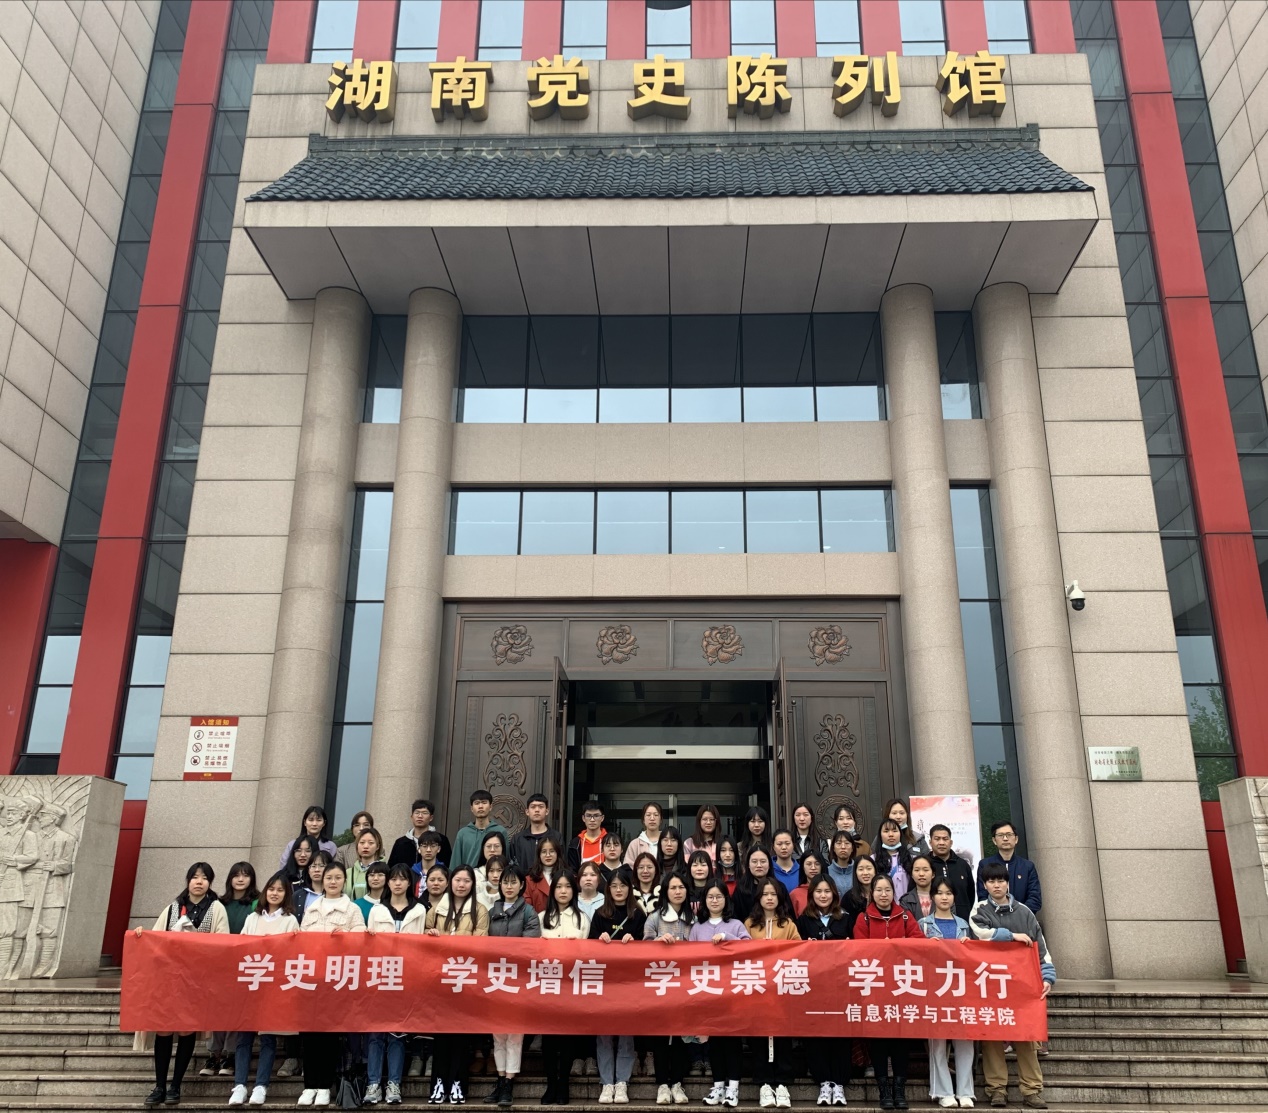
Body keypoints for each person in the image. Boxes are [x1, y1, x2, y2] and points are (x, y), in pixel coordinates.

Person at [138, 862, 228, 1107]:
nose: (199, 881)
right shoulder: (173, 907)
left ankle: (175, 1085)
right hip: (169, 979)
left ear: (210, 882)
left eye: (204, 878)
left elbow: (223, 943)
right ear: (188, 880)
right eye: (195, 877)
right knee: (164, 1029)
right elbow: (155, 938)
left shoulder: (216, 908)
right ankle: (159, 1085)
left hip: (197, 980)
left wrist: (196, 941)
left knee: (187, 1029)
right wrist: (141, 935)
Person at [971, 863, 1055, 1111]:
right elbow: (980, 933)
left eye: (1000, 880)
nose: (996, 885)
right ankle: (997, 1089)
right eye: (991, 881)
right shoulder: (980, 909)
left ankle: (1032, 1090)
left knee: (1026, 1037)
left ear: (1007, 883)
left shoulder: (1025, 912)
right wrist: (1011, 936)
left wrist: (1048, 977)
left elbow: (1041, 948)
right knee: (992, 1039)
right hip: (991, 985)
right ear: (984, 885)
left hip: (1022, 987)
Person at [296, 860, 364, 1106]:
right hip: (311, 979)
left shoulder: (352, 909)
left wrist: (345, 937)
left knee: (329, 1034)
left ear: (344, 881)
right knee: (309, 1033)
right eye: (329, 878)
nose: (333, 882)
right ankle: (309, 1085)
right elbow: (302, 941)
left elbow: (361, 940)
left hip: (337, 980)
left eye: (337, 877)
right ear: (321, 880)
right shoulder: (312, 908)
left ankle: (324, 1085)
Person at [852, 874, 921, 1110]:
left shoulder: (905, 916)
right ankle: (884, 1090)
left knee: (901, 1040)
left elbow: (919, 943)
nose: (884, 894)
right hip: (875, 988)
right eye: (879, 890)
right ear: (871, 893)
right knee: (879, 1040)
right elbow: (859, 950)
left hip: (902, 987)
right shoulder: (864, 918)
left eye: (888, 890)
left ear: (894, 892)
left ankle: (899, 1089)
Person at [232, 872, 299, 1106]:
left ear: (286, 894)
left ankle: (261, 1085)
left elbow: (294, 952)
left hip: (273, 985)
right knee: (244, 1037)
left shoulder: (290, 920)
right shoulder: (252, 918)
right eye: (271, 889)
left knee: (268, 1038)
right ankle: (239, 1085)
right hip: (251, 983)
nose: (274, 893)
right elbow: (241, 946)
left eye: (280, 890)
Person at [426, 866, 489, 1104]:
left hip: (466, 978)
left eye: (466, 881)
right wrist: (431, 934)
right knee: (441, 1035)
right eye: (457, 880)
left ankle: (458, 1083)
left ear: (473, 884)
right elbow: (423, 938)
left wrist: (451, 942)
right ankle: (438, 1083)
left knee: (461, 1035)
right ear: (450, 882)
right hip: (441, 979)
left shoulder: (480, 910)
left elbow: (481, 941)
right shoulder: (436, 909)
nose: (461, 885)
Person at [365, 865, 426, 1105]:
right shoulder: (377, 910)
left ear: (410, 883)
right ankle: (373, 1084)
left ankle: (394, 1084)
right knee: (375, 1034)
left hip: (406, 979)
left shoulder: (419, 910)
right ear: (388, 883)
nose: (397, 883)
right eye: (393, 879)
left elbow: (423, 946)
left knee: (397, 1034)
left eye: (402, 879)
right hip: (380, 978)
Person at [690, 883, 749, 1108]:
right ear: (704, 901)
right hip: (708, 992)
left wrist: (728, 938)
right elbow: (689, 957)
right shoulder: (697, 928)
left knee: (732, 1041)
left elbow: (749, 948)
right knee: (714, 1042)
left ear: (726, 899)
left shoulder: (736, 925)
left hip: (732, 992)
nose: (714, 901)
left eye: (719, 896)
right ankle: (717, 1086)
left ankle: (733, 1088)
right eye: (710, 897)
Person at [588, 868, 645, 1105]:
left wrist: (636, 942)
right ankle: (606, 1083)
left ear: (629, 888)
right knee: (604, 1035)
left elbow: (648, 950)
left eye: (623, 885)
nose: (619, 890)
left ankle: (622, 1082)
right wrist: (599, 940)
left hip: (630, 984)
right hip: (605, 983)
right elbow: (588, 950)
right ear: (608, 889)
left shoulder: (638, 915)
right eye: (614, 886)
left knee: (626, 1034)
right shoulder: (599, 914)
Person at [919, 878, 975, 1110]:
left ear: (954, 897)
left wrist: (969, 945)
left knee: (965, 1042)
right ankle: (943, 1092)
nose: (944, 897)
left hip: (961, 989)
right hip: (935, 989)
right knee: (938, 1044)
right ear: (932, 897)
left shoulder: (964, 924)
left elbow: (974, 958)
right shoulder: (923, 924)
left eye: (949, 893)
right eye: (940, 893)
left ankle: (965, 1092)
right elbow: (915, 957)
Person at [488, 867, 540, 1108]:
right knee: (497, 1034)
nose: (509, 886)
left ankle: (509, 1081)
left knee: (515, 1034)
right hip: (495, 979)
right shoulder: (492, 912)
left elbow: (530, 946)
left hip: (518, 979)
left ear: (521, 885)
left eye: (513, 882)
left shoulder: (529, 912)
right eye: (505, 882)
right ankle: (500, 1079)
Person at [795, 877, 851, 1106]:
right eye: (818, 891)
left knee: (840, 1034)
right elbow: (795, 952)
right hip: (813, 987)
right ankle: (824, 1083)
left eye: (827, 891)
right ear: (812, 895)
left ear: (834, 894)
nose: (823, 895)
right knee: (816, 1034)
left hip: (840, 987)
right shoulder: (803, 920)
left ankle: (839, 1084)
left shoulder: (846, 918)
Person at [744, 879, 798, 1108]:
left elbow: (799, 951)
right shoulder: (749, 924)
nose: (769, 898)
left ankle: (783, 1083)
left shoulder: (788, 924)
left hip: (781, 988)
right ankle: (764, 1083)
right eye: (765, 894)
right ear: (758, 898)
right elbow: (740, 953)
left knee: (783, 1035)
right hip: (757, 988)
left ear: (779, 898)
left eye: (773, 894)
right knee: (758, 1036)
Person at [539, 872, 590, 1104]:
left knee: (568, 1038)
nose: (563, 891)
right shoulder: (542, 917)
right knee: (549, 1039)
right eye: (558, 887)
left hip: (571, 986)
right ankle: (551, 1083)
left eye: (567, 886)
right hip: (548, 986)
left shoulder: (582, 919)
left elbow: (587, 954)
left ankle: (563, 1084)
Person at [643, 874, 693, 1104]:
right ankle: (662, 1084)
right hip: (661, 984)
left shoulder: (694, 919)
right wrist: (657, 943)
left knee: (683, 1034)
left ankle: (678, 1083)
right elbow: (642, 949)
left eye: (681, 887)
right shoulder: (654, 918)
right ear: (665, 892)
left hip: (687, 985)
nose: (677, 891)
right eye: (673, 888)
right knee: (661, 1035)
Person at [975, 821, 1041, 915]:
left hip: (1022, 919)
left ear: (1016, 839)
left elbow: (1034, 897)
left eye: (1009, 835)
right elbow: (983, 896)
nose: (1005, 838)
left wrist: (1018, 915)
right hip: (994, 919)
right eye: (1000, 835)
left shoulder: (1027, 866)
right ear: (994, 840)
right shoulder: (985, 864)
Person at [449, 789, 507, 868]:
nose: (480, 806)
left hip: (494, 873)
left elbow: (506, 859)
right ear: (471, 808)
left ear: (490, 807)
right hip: (468, 875)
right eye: (477, 803)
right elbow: (455, 862)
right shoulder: (463, 833)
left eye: (484, 802)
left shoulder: (500, 831)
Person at [388, 799, 452, 870]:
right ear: (411, 817)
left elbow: (448, 866)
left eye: (424, 813)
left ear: (431, 818)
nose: (420, 816)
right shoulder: (400, 843)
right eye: (417, 812)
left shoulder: (441, 840)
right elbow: (392, 868)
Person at [928, 825, 975, 922]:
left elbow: (970, 894)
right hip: (932, 921)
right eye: (937, 839)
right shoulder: (925, 864)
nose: (941, 842)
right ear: (930, 842)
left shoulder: (963, 865)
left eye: (945, 839)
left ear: (951, 842)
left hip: (962, 921)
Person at [509, 793, 563, 872]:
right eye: (533, 807)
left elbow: (561, 864)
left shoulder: (556, 837)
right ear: (527, 811)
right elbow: (512, 866)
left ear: (547, 811)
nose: (537, 810)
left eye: (541, 807)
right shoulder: (518, 839)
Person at [731, 844, 774, 925]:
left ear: (769, 865)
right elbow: (734, 919)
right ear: (748, 865)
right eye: (754, 862)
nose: (759, 865)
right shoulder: (741, 889)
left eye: (763, 861)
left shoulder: (779, 887)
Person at [872, 819, 913, 902]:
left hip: (907, 906)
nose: (891, 834)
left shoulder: (910, 858)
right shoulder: (873, 859)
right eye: (886, 831)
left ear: (900, 834)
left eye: (894, 831)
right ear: (880, 835)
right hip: (884, 905)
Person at [524, 836, 564, 914]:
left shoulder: (567, 877)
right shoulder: (529, 880)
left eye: (552, 851)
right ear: (539, 855)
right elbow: (526, 909)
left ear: (558, 853)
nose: (548, 855)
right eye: (544, 851)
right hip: (537, 920)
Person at [347, 826, 387, 900]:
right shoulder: (348, 873)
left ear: (377, 846)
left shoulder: (386, 871)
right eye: (362, 842)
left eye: (371, 843)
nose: (366, 846)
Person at [567, 800, 608, 871]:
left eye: (596, 816)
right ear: (583, 818)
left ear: (602, 818)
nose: (592, 820)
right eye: (588, 816)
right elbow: (572, 871)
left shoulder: (609, 841)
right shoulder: (575, 843)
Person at [623, 802, 665, 867]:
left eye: (656, 815)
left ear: (661, 819)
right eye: (648, 815)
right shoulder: (635, 844)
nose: (652, 818)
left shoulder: (667, 842)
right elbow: (627, 868)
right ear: (643, 820)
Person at [898, 855, 936, 923]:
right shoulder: (905, 900)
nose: (921, 874)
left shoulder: (944, 897)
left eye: (925, 870)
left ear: (933, 874)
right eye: (917, 870)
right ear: (912, 875)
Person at [790, 850, 828, 916]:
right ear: (802, 867)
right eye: (809, 864)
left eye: (817, 864)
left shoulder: (830, 891)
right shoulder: (795, 894)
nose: (813, 868)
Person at [295, 851, 330, 921]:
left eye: (321, 866)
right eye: (313, 866)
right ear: (308, 871)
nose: (317, 870)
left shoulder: (336, 895)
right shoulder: (298, 895)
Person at [841, 855, 876, 923]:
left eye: (869, 868)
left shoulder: (882, 894)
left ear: (875, 870)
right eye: (861, 869)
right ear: (855, 872)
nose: (865, 873)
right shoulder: (848, 898)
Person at [826, 832, 856, 898]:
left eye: (847, 843)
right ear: (833, 848)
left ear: (852, 848)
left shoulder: (858, 870)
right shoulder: (826, 871)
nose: (843, 847)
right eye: (839, 843)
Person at [684, 851, 714, 917]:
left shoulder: (716, 888)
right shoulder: (683, 890)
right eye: (695, 865)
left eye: (703, 865)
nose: (699, 869)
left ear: (709, 867)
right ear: (689, 868)